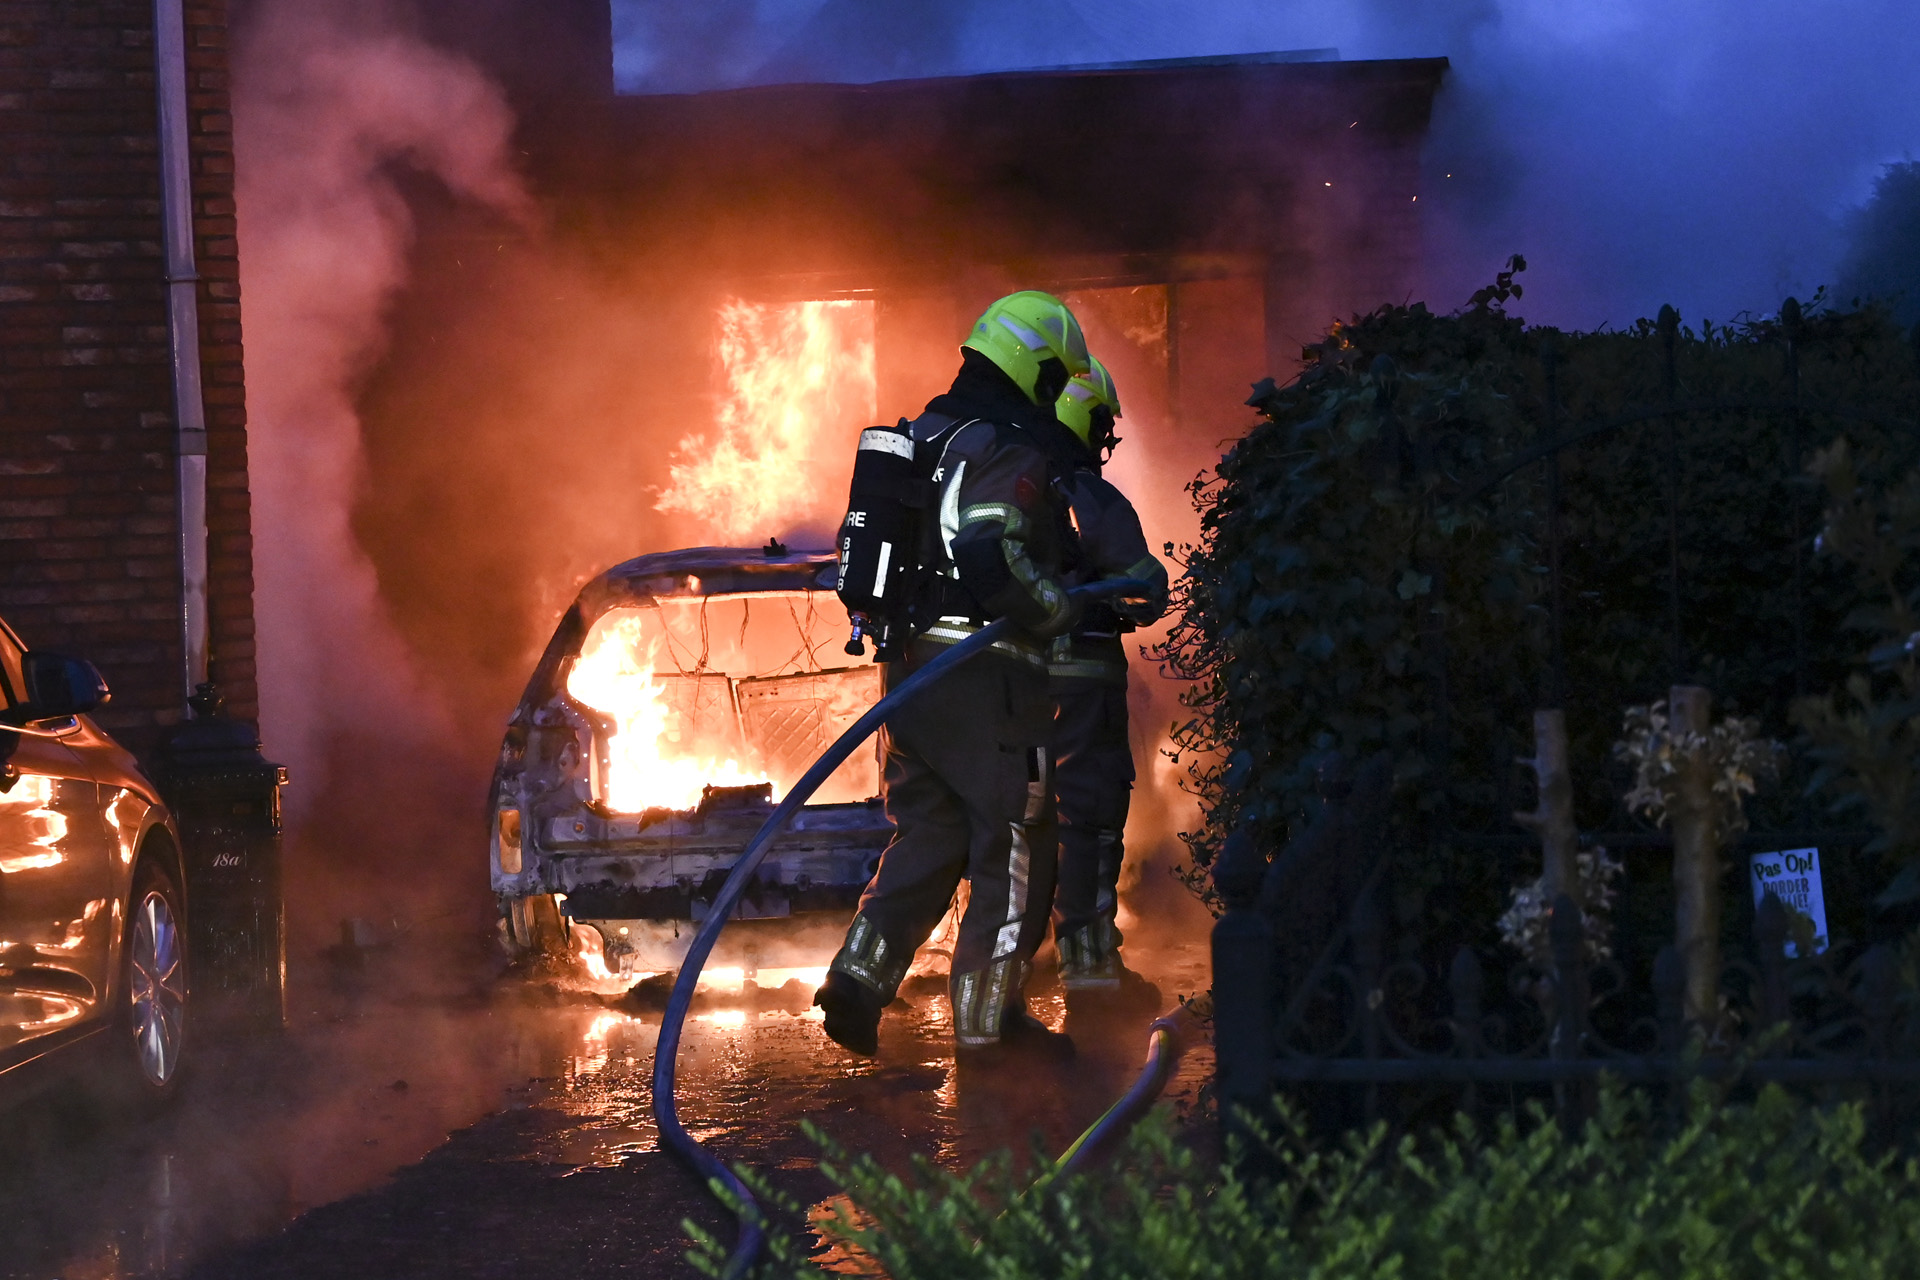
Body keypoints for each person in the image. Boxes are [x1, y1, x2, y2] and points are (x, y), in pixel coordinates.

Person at [815, 291, 1092, 1060]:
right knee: (1015, 840)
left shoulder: (930, 433)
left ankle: (858, 980)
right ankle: (990, 1022)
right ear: (1031, 368)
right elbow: (988, 550)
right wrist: (1057, 609)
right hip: (984, 674)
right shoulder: (1006, 444)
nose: (1054, 397)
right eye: (1053, 380)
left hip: (910, 673)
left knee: (930, 832)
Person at [1047, 357, 1169, 992]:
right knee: (1089, 822)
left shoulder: (997, 479)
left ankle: (1015, 962)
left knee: (1018, 823)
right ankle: (1090, 966)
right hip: (1082, 693)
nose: (1104, 441)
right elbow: (1146, 587)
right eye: (1101, 425)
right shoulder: (1086, 495)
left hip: (1006, 694)